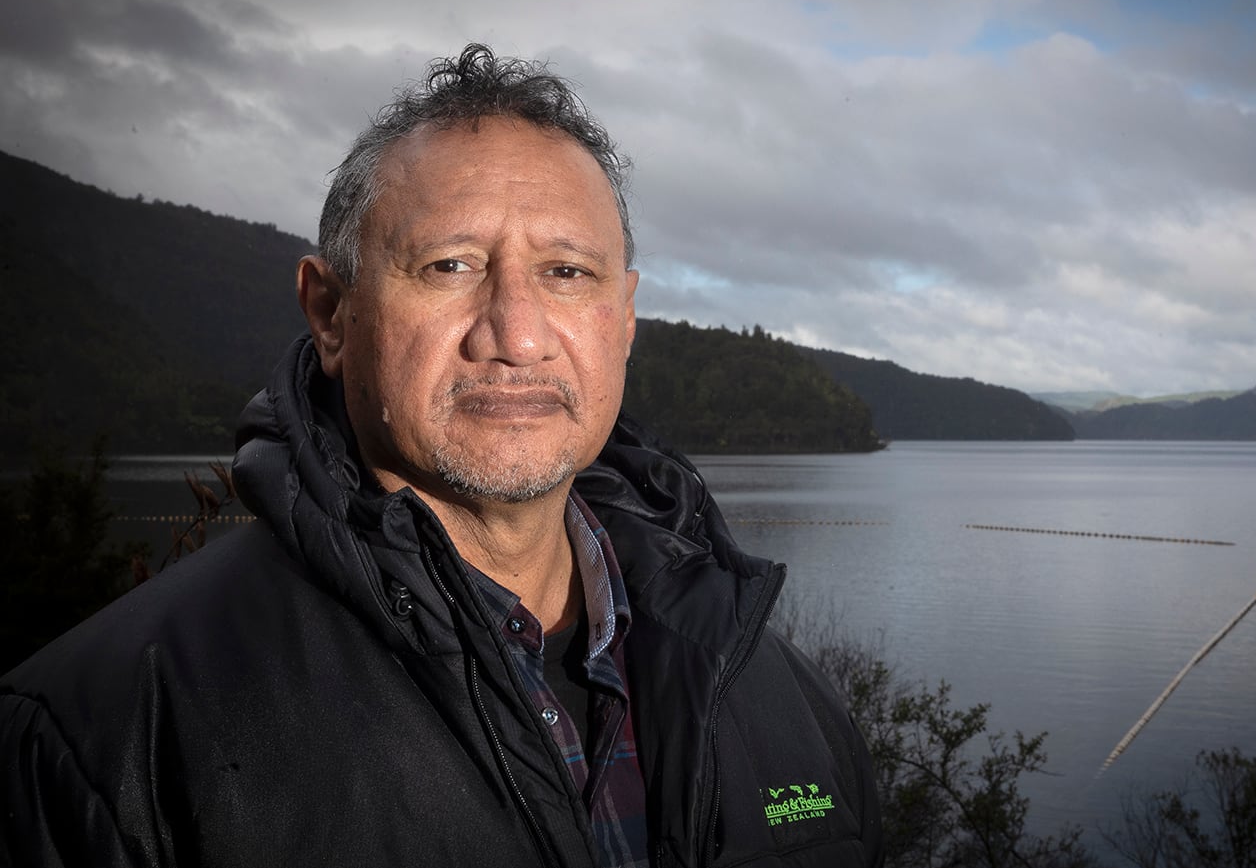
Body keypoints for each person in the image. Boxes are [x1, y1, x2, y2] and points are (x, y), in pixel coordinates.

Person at [1, 43, 882, 867]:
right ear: (331, 312)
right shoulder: (103, 736)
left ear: (625, 320)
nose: (516, 333)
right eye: (451, 265)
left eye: (567, 273)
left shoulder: (776, 695)